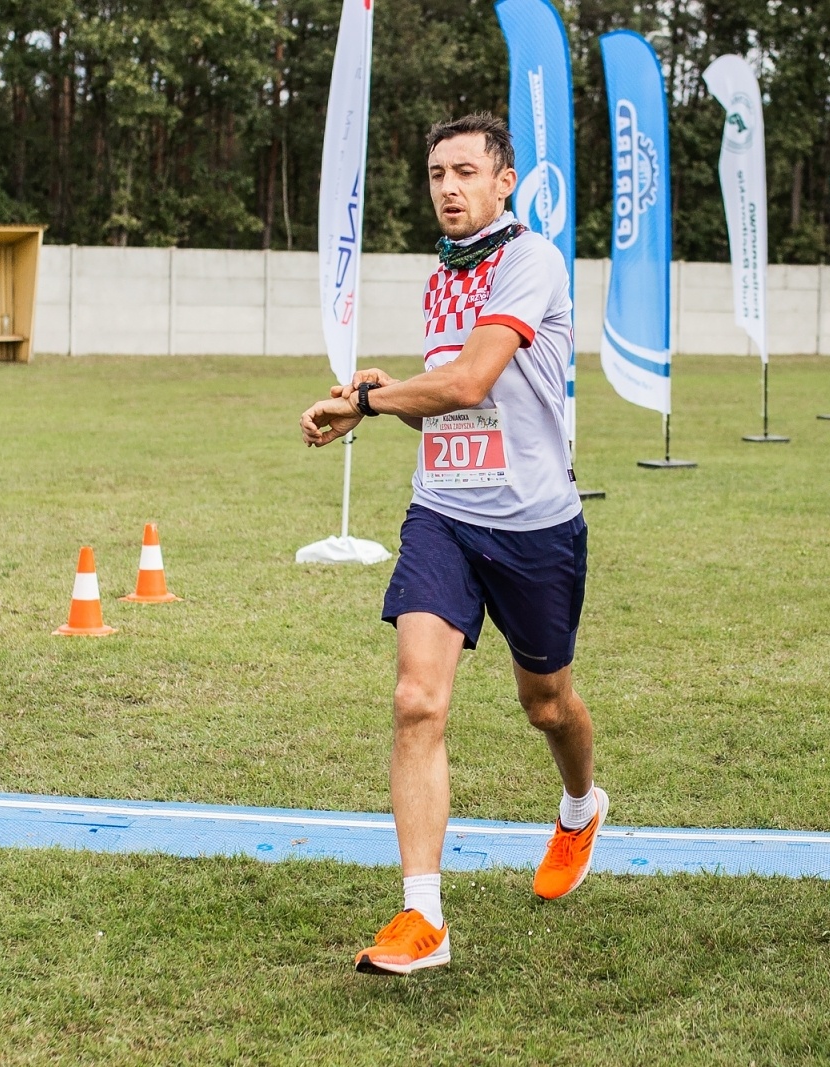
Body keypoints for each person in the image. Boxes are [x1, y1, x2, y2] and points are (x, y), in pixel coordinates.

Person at [299, 112, 605, 976]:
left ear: (504, 181)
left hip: (536, 524)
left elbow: (473, 379)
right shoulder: (444, 272)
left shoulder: (530, 261)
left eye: (466, 172)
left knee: (547, 703)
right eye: (437, 173)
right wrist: (384, 388)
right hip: (442, 515)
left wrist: (368, 402)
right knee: (416, 701)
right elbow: (452, 397)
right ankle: (420, 915)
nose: (448, 188)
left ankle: (581, 806)